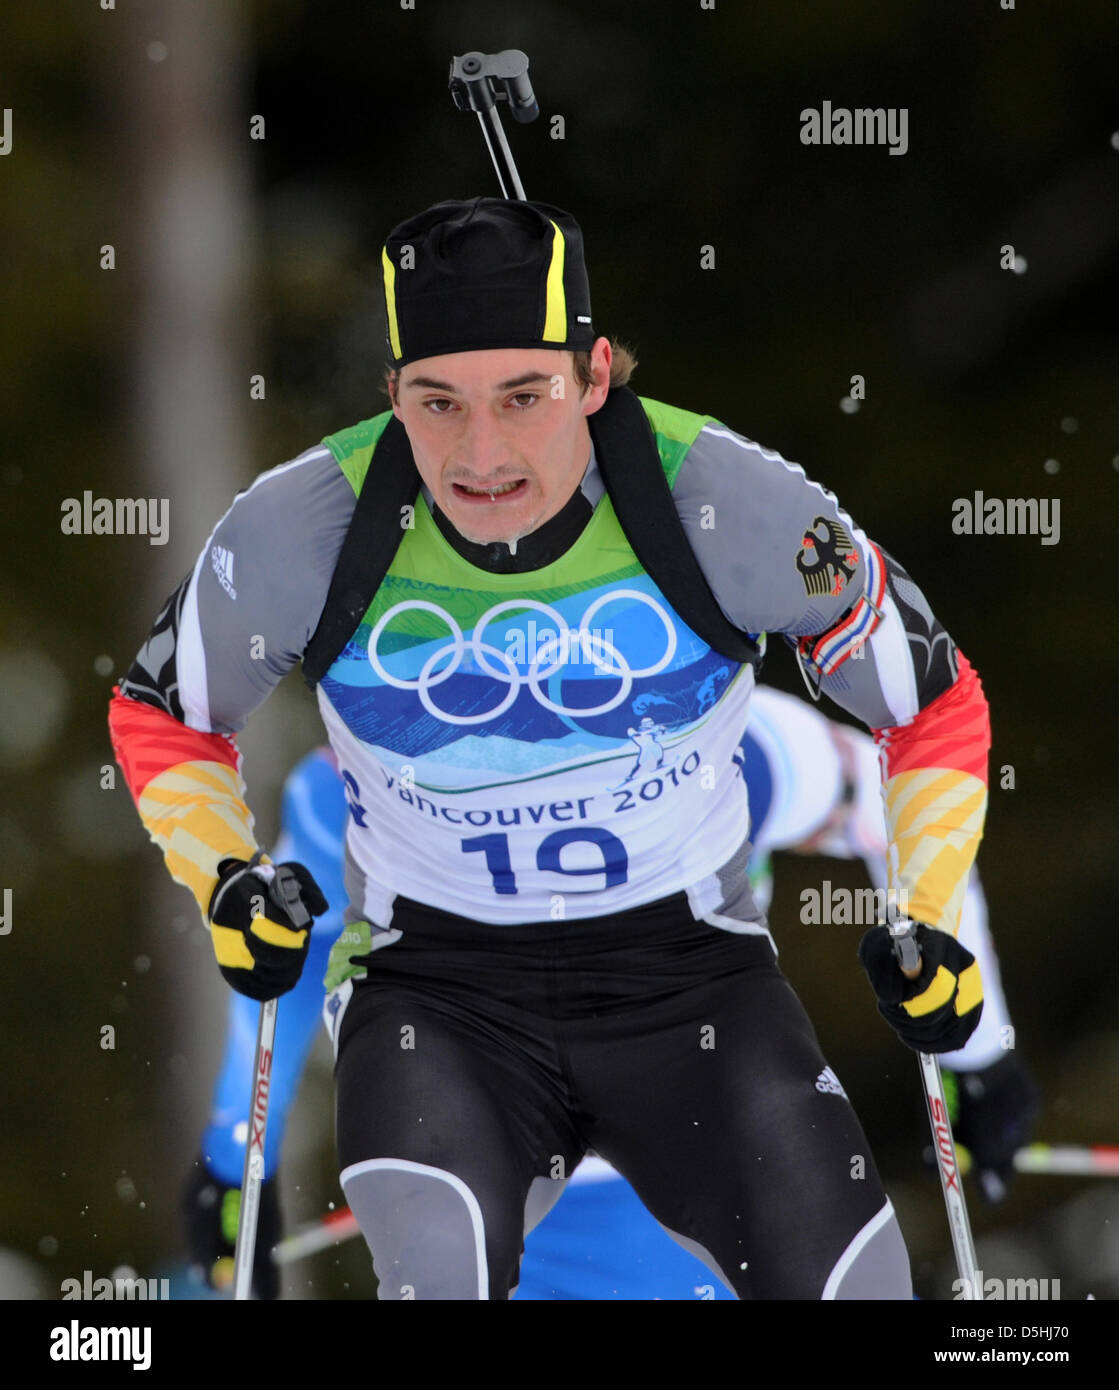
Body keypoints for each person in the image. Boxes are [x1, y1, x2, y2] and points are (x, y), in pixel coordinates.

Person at [111, 195, 992, 1299]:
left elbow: (932, 701)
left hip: (694, 987)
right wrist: (227, 880)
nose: (482, 453)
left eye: (523, 396)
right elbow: (163, 710)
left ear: (595, 374)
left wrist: (931, 920)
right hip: (438, 989)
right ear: (393, 395)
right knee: (441, 1267)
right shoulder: (308, 527)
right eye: (437, 403)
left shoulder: (721, 500)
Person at [184, 692, 1037, 1299]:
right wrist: (236, 1157)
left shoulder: (730, 740)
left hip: (693, 1174)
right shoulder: (352, 785)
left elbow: (906, 803)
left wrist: (973, 1048)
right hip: (508, 1192)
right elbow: (291, 950)